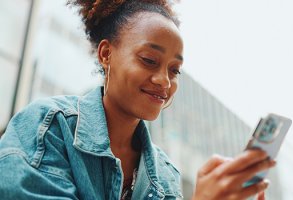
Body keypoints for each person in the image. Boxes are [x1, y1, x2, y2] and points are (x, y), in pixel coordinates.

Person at [0, 0, 276, 199]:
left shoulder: (167, 176)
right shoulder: (48, 128)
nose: (164, 81)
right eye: (149, 60)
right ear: (106, 54)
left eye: (174, 70)